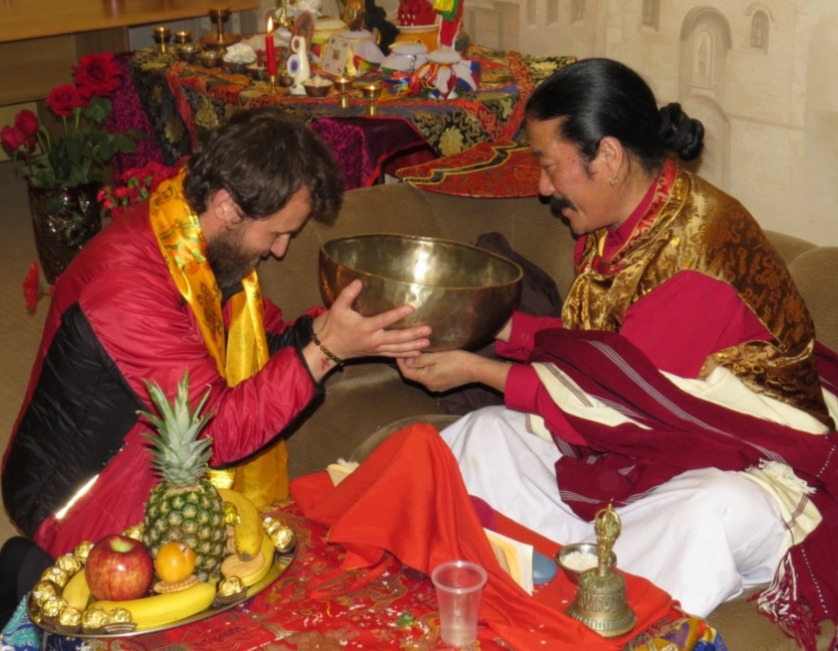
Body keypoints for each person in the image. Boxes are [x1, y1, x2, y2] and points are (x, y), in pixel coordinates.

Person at [397, 57, 838, 639]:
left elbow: (628, 403)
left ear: (606, 156)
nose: (542, 188)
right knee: (488, 435)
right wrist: (492, 327)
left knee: (709, 511)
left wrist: (478, 368)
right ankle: (547, 572)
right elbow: (600, 352)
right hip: (647, 440)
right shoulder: (618, 218)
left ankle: (598, 615)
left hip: (750, 467)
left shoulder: (698, 252)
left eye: (551, 167)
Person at [0, 107, 431, 620]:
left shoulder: (189, 236)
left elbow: (257, 342)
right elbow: (218, 436)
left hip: (150, 451)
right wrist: (325, 352)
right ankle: (28, 574)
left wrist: (334, 331)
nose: (280, 251)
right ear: (227, 205)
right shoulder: (128, 287)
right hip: (81, 497)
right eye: (277, 233)